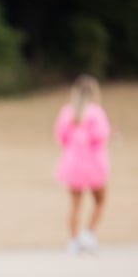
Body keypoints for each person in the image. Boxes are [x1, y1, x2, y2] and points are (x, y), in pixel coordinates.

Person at [53, 75, 110, 253]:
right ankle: (88, 234)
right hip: (93, 164)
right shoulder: (96, 112)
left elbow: (61, 137)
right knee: (100, 201)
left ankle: (74, 240)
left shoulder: (67, 112)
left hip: (72, 164)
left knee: (75, 205)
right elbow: (100, 136)